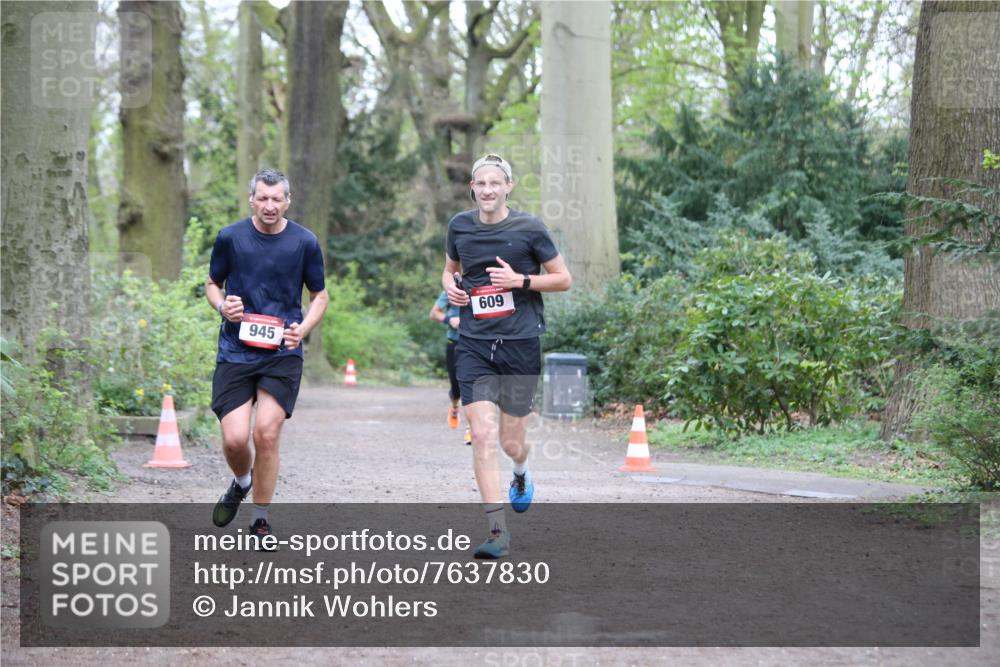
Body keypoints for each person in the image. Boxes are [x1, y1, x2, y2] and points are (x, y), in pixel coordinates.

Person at [442, 153, 572, 558]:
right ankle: (497, 530)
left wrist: (521, 280)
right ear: (473, 188)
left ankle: (520, 472)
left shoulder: (529, 228)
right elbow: (449, 269)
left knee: (510, 442)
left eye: (495, 183)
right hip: (475, 344)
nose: (487, 190)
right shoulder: (459, 226)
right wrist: (452, 288)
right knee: (480, 434)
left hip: (520, 345)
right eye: (480, 184)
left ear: (508, 186)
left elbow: (564, 279)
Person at [205, 167, 329, 543]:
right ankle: (241, 482)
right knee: (234, 439)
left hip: (282, 351)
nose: (270, 205)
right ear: (252, 199)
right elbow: (213, 284)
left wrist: (302, 330)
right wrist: (222, 306)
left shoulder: (304, 242)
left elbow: (319, 296)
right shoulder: (230, 238)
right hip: (236, 350)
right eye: (263, 198)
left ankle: (260, 520)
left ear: (287, 201)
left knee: (267, 434)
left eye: (277, 199)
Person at [430, 291, 472, 445]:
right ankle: (454, 405)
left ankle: (471, 429)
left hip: (476, 343)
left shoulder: (483, 287)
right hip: (455, 342)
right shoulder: (452, 290)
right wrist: (450, 319)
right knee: (456, 388)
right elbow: (434, 313)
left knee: (471, 385)